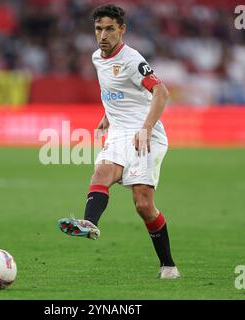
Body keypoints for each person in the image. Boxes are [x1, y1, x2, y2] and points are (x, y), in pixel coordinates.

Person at [58, 4, 180, 279]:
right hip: (119, 132)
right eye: (99, 28)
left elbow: (161, 93)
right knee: (101, 172)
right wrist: (107, 116)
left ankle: (169, 265)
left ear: (122, 30)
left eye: (110, 29)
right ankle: (89, 223)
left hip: (146, 134)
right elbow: (115, 89)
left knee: (143, 205)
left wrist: (146, 128)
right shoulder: (97, 58)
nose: (103, 34)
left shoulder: (132, 59)